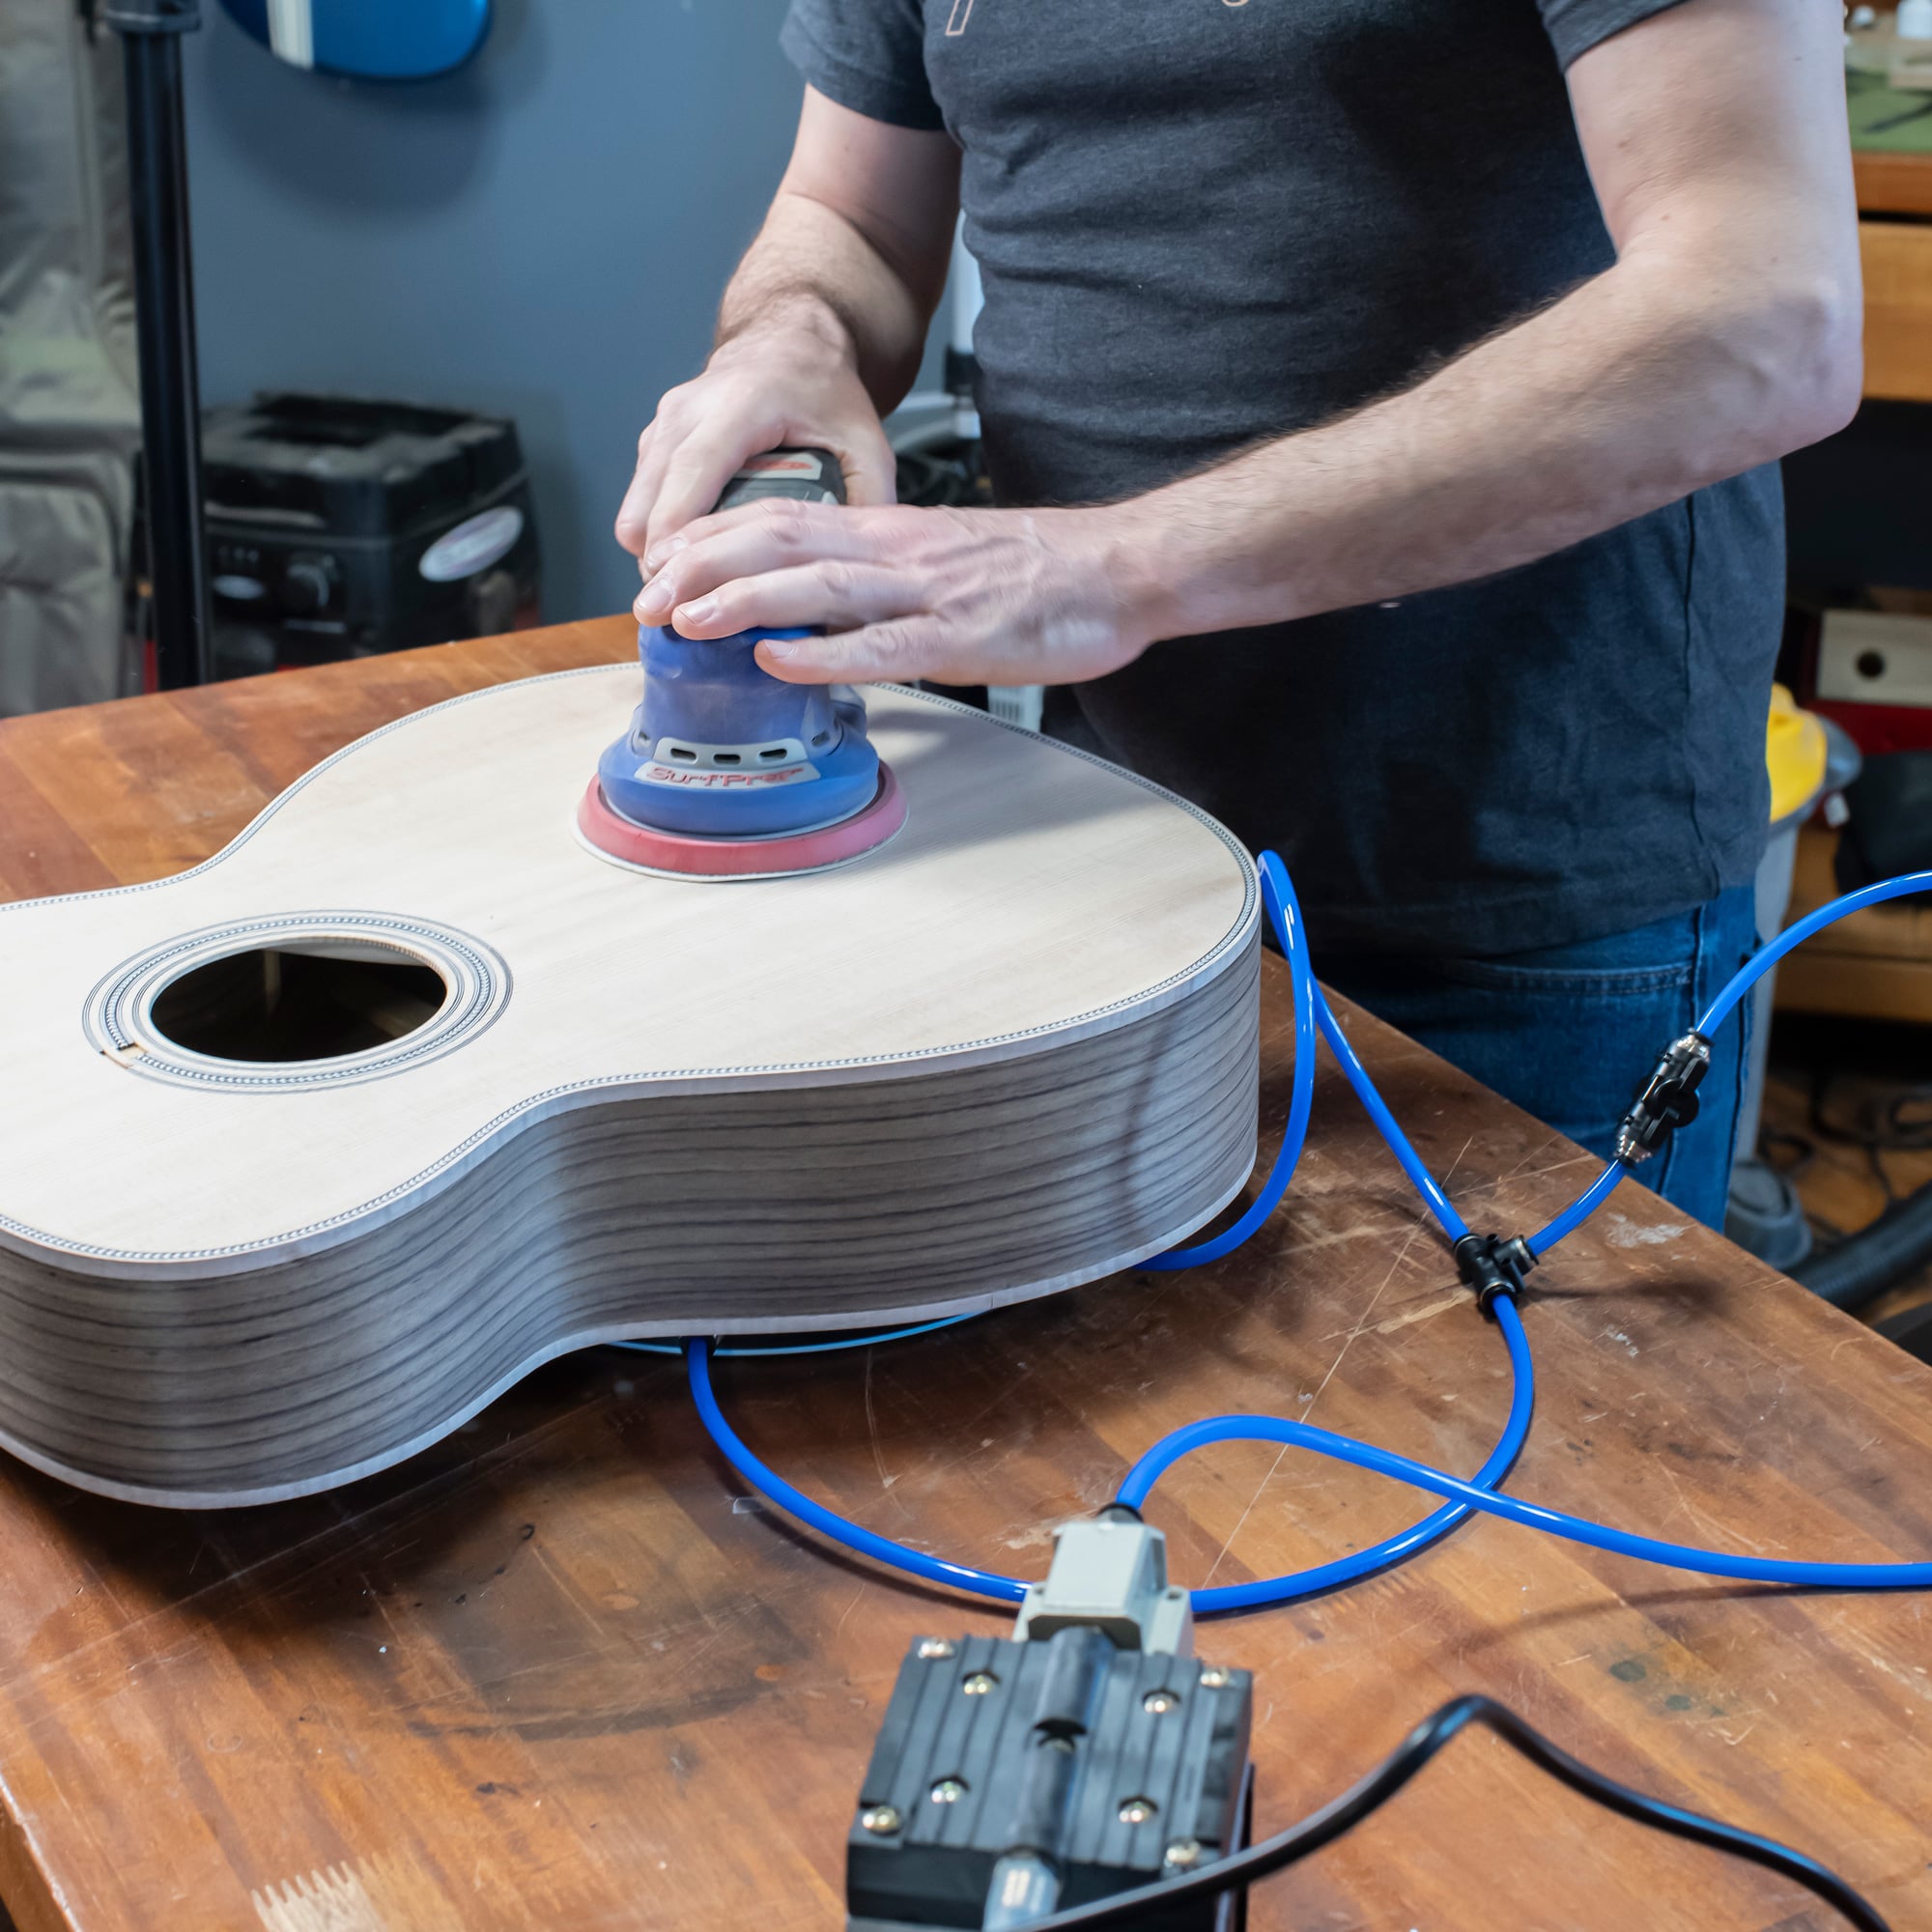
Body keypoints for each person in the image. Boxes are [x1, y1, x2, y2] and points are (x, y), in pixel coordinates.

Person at [614, 0, 1862, 1229]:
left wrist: (1113, 569)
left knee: (1528, 1424)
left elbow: (1758, 320)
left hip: (1516, 875)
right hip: (1117, 831)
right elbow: (853, 218)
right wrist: (795, 340)